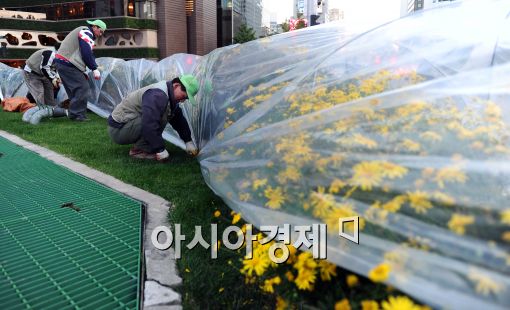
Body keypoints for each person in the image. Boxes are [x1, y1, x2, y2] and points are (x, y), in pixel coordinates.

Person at [107, 75, 199, 161]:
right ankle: (139, 151)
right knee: (159, 117)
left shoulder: (168, 95)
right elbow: (149, 124)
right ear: (176, 85)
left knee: (165, 114)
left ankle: (145, 147)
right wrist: (160, 149)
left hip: (126, 125)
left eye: (185, 98)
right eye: (183, 96)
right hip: (118, 129)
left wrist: (188, 141)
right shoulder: (158, 95)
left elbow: (178, 119)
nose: (182, 100)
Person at [54, 19, 106, 121]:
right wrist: (94, 68)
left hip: (63, 63)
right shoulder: (86, 31)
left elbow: (88, 53)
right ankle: (77, 115)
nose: (101, 34)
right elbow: (86, 52)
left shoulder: (84, 32)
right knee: (83, 88)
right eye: (101, 31)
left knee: (74, 92)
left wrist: (94, 64)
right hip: (68, 63)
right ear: (95, 26)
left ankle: (69, 112)